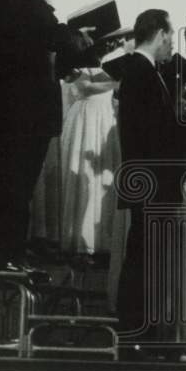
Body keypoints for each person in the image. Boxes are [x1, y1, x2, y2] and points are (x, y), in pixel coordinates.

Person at [0, 0, 90, 266]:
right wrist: (79, 36)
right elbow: (60, 40)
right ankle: (9, 253)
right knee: (19, 184)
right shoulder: (30, 3)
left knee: (1, 179)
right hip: (29, 111)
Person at [116, 9, 186, 356]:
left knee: (147, 259)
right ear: (162, 34)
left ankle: (142, 335)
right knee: (145, 261)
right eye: (170, 36)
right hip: (153, 182)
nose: (171, 46)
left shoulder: (143, 72)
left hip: (149, 182)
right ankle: (138, 336)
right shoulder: (141, 72)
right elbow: (156, 132)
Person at [58, 35, 124, 255]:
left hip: (104, 120)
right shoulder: (75, 68)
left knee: (101, 177)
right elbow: (84, 87)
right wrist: (116, 79)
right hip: (85, 120)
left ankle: (100, 241)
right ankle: (77, 238)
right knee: (81, 172)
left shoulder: (109, 66)